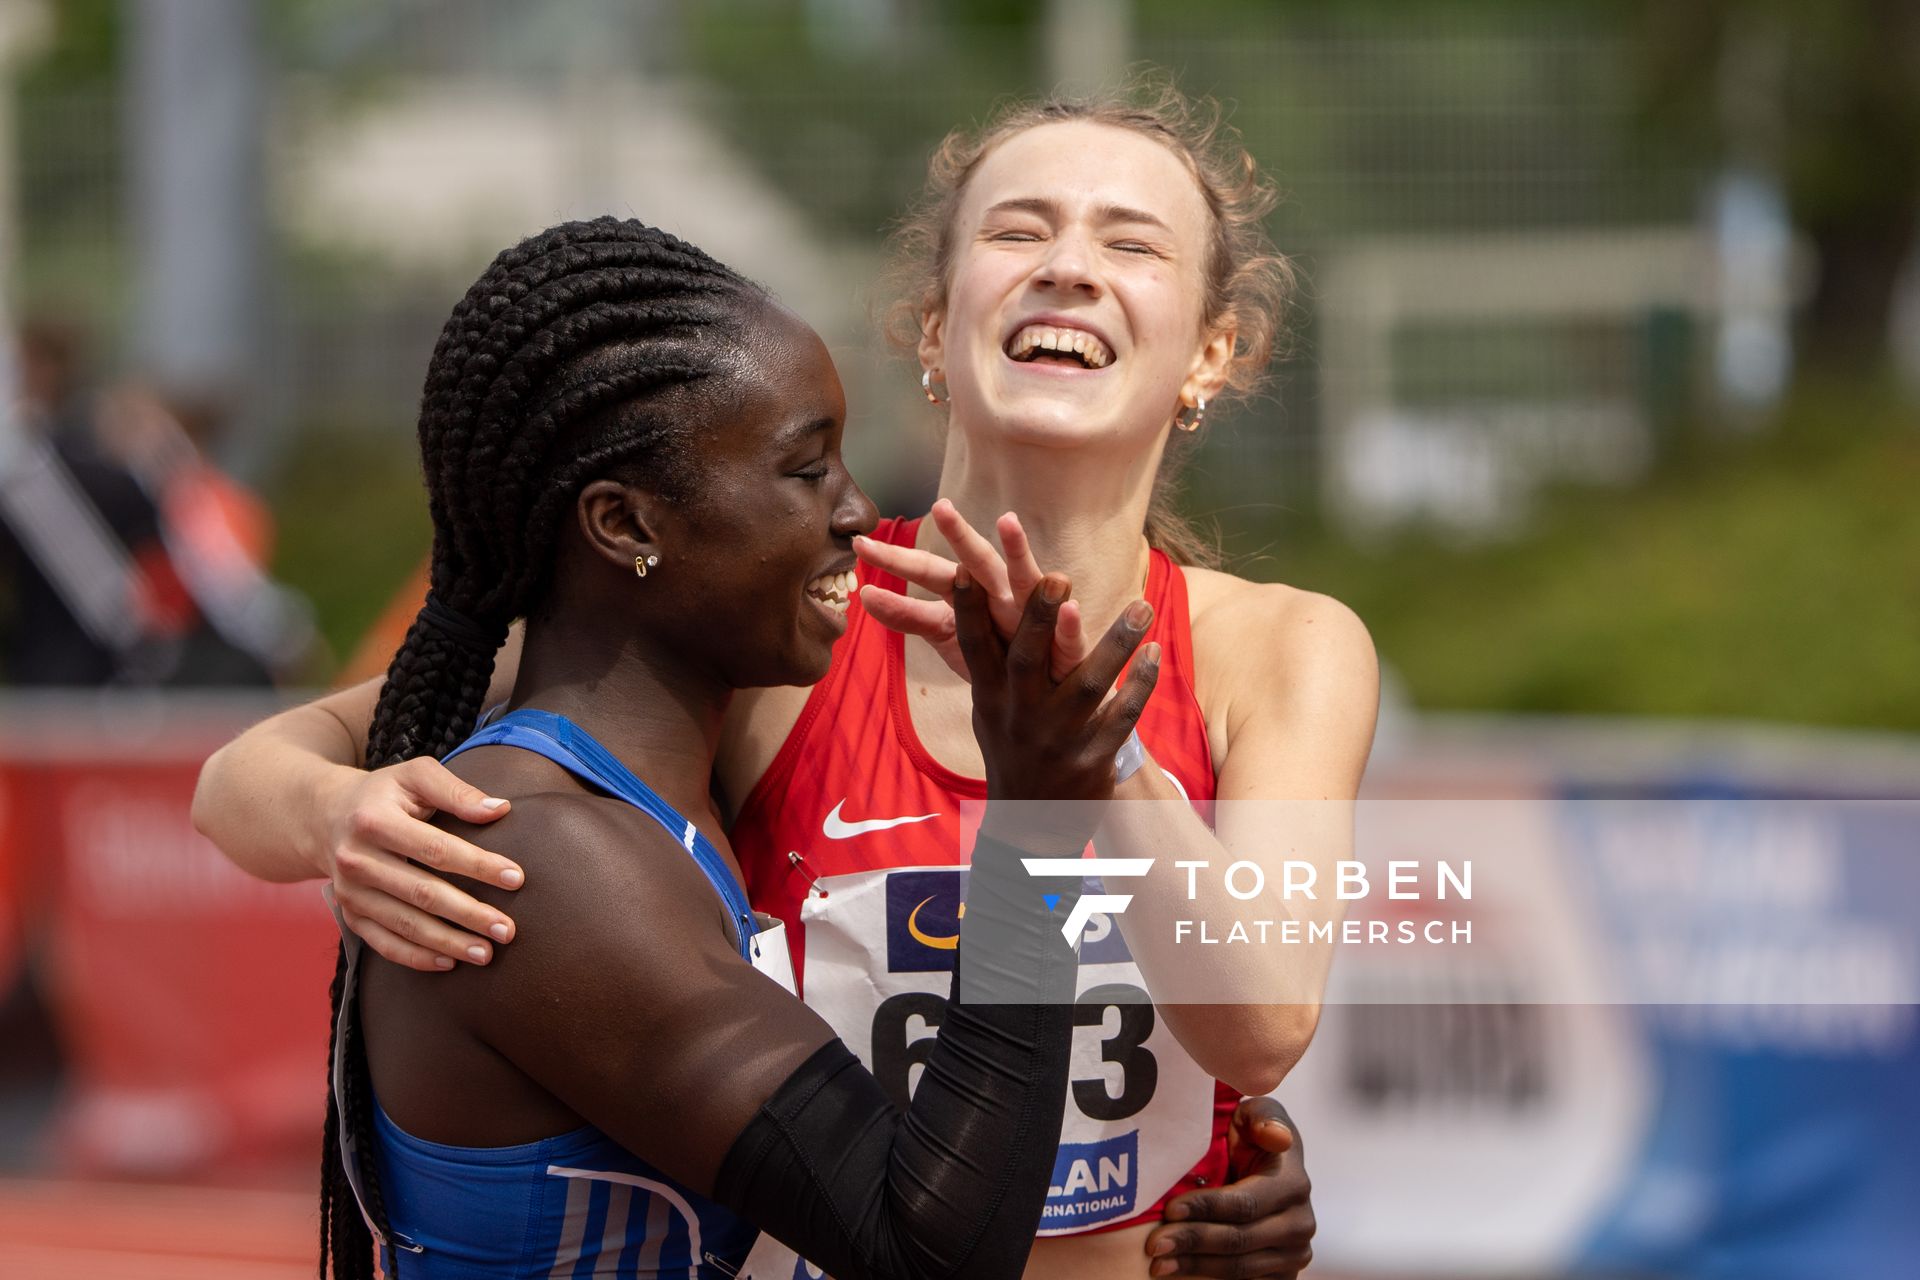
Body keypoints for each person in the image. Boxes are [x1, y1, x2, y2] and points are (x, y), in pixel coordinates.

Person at [197, 75, 1370, 1279]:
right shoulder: (781, 616)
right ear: (931, 323)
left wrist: (1085, 751)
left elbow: (1262, 1019)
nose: (1069, 264)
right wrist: (343, 813)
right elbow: (251, 774)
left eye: (1131, 242)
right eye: (1020, 229)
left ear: (1213, 352)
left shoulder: (1277, 647)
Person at [313, 216, 1165, 1279]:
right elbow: (929, 1250)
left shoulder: (655, 802)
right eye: (806, 470)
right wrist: (1036, 806)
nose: (858, 510)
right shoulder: (551, 863)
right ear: (627, 526)